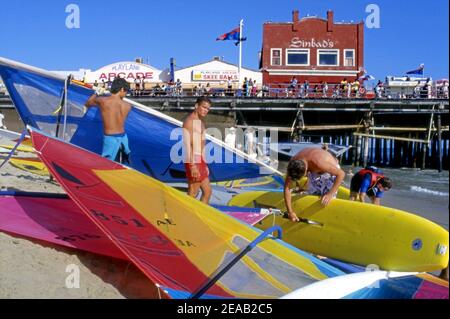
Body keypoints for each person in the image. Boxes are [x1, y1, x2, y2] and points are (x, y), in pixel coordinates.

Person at [284, 148, 345, 222]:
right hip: (315, 171)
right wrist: (290, 212)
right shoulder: (293, 164)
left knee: (326, 199)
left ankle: (328, 220)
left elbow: (341, 174)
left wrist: (330, 194)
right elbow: (286, 187)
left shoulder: (318, 163)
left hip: (332, 172)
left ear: (306, 170)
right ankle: (310, 220)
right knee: (313, 196)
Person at [85, 78, 132, 164]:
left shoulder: (103, 101)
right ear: (122, 89)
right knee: (123, 163)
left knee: (106, 164)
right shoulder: (128, 105)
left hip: (110, 138)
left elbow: (88, 103)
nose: (125, 94)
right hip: (124, 138)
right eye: (126, 92)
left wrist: (97, 92)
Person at [182, 96, 212, 204]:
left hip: (200, 160)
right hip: (193, 160)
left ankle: (200, 216)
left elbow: (202, 144)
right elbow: (187, 145)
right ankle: (185, 217)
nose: (206, 110)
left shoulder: (200, 121)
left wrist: (205, 163)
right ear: (196, 106)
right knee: (193, 193)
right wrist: (192, 165)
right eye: (204, 107)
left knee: (207, 192)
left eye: (208, 109)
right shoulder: (189, 122)